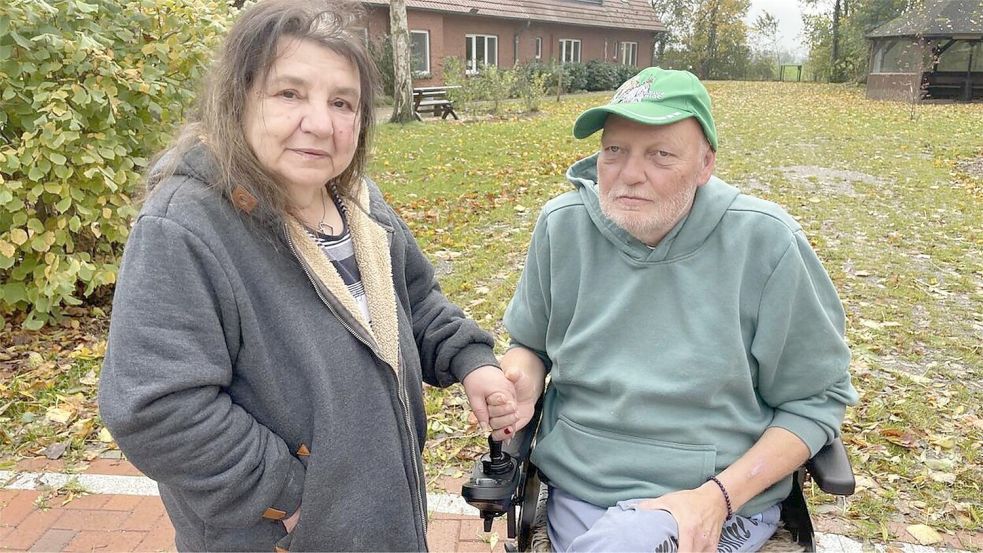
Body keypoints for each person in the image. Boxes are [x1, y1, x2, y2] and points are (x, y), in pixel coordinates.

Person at [98, 1, 519, 550]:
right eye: (289, 93)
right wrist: (291, 494)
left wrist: (472, 363)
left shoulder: (361, 205)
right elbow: (156, 408)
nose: (319, 123)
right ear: (238, 97)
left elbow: (415, 303)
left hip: (384, 526)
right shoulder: (185, 227)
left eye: (342, 102)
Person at [500, 67, 859, 553]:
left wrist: (716, 499)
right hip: (584, 493)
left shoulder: (766, 243)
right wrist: (520, 375)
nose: (629, 173)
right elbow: (532, 344)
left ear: (705, 164)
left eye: (661, 155)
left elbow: (816, 401)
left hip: (720, 502)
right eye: (614, 151)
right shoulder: (561, 228)